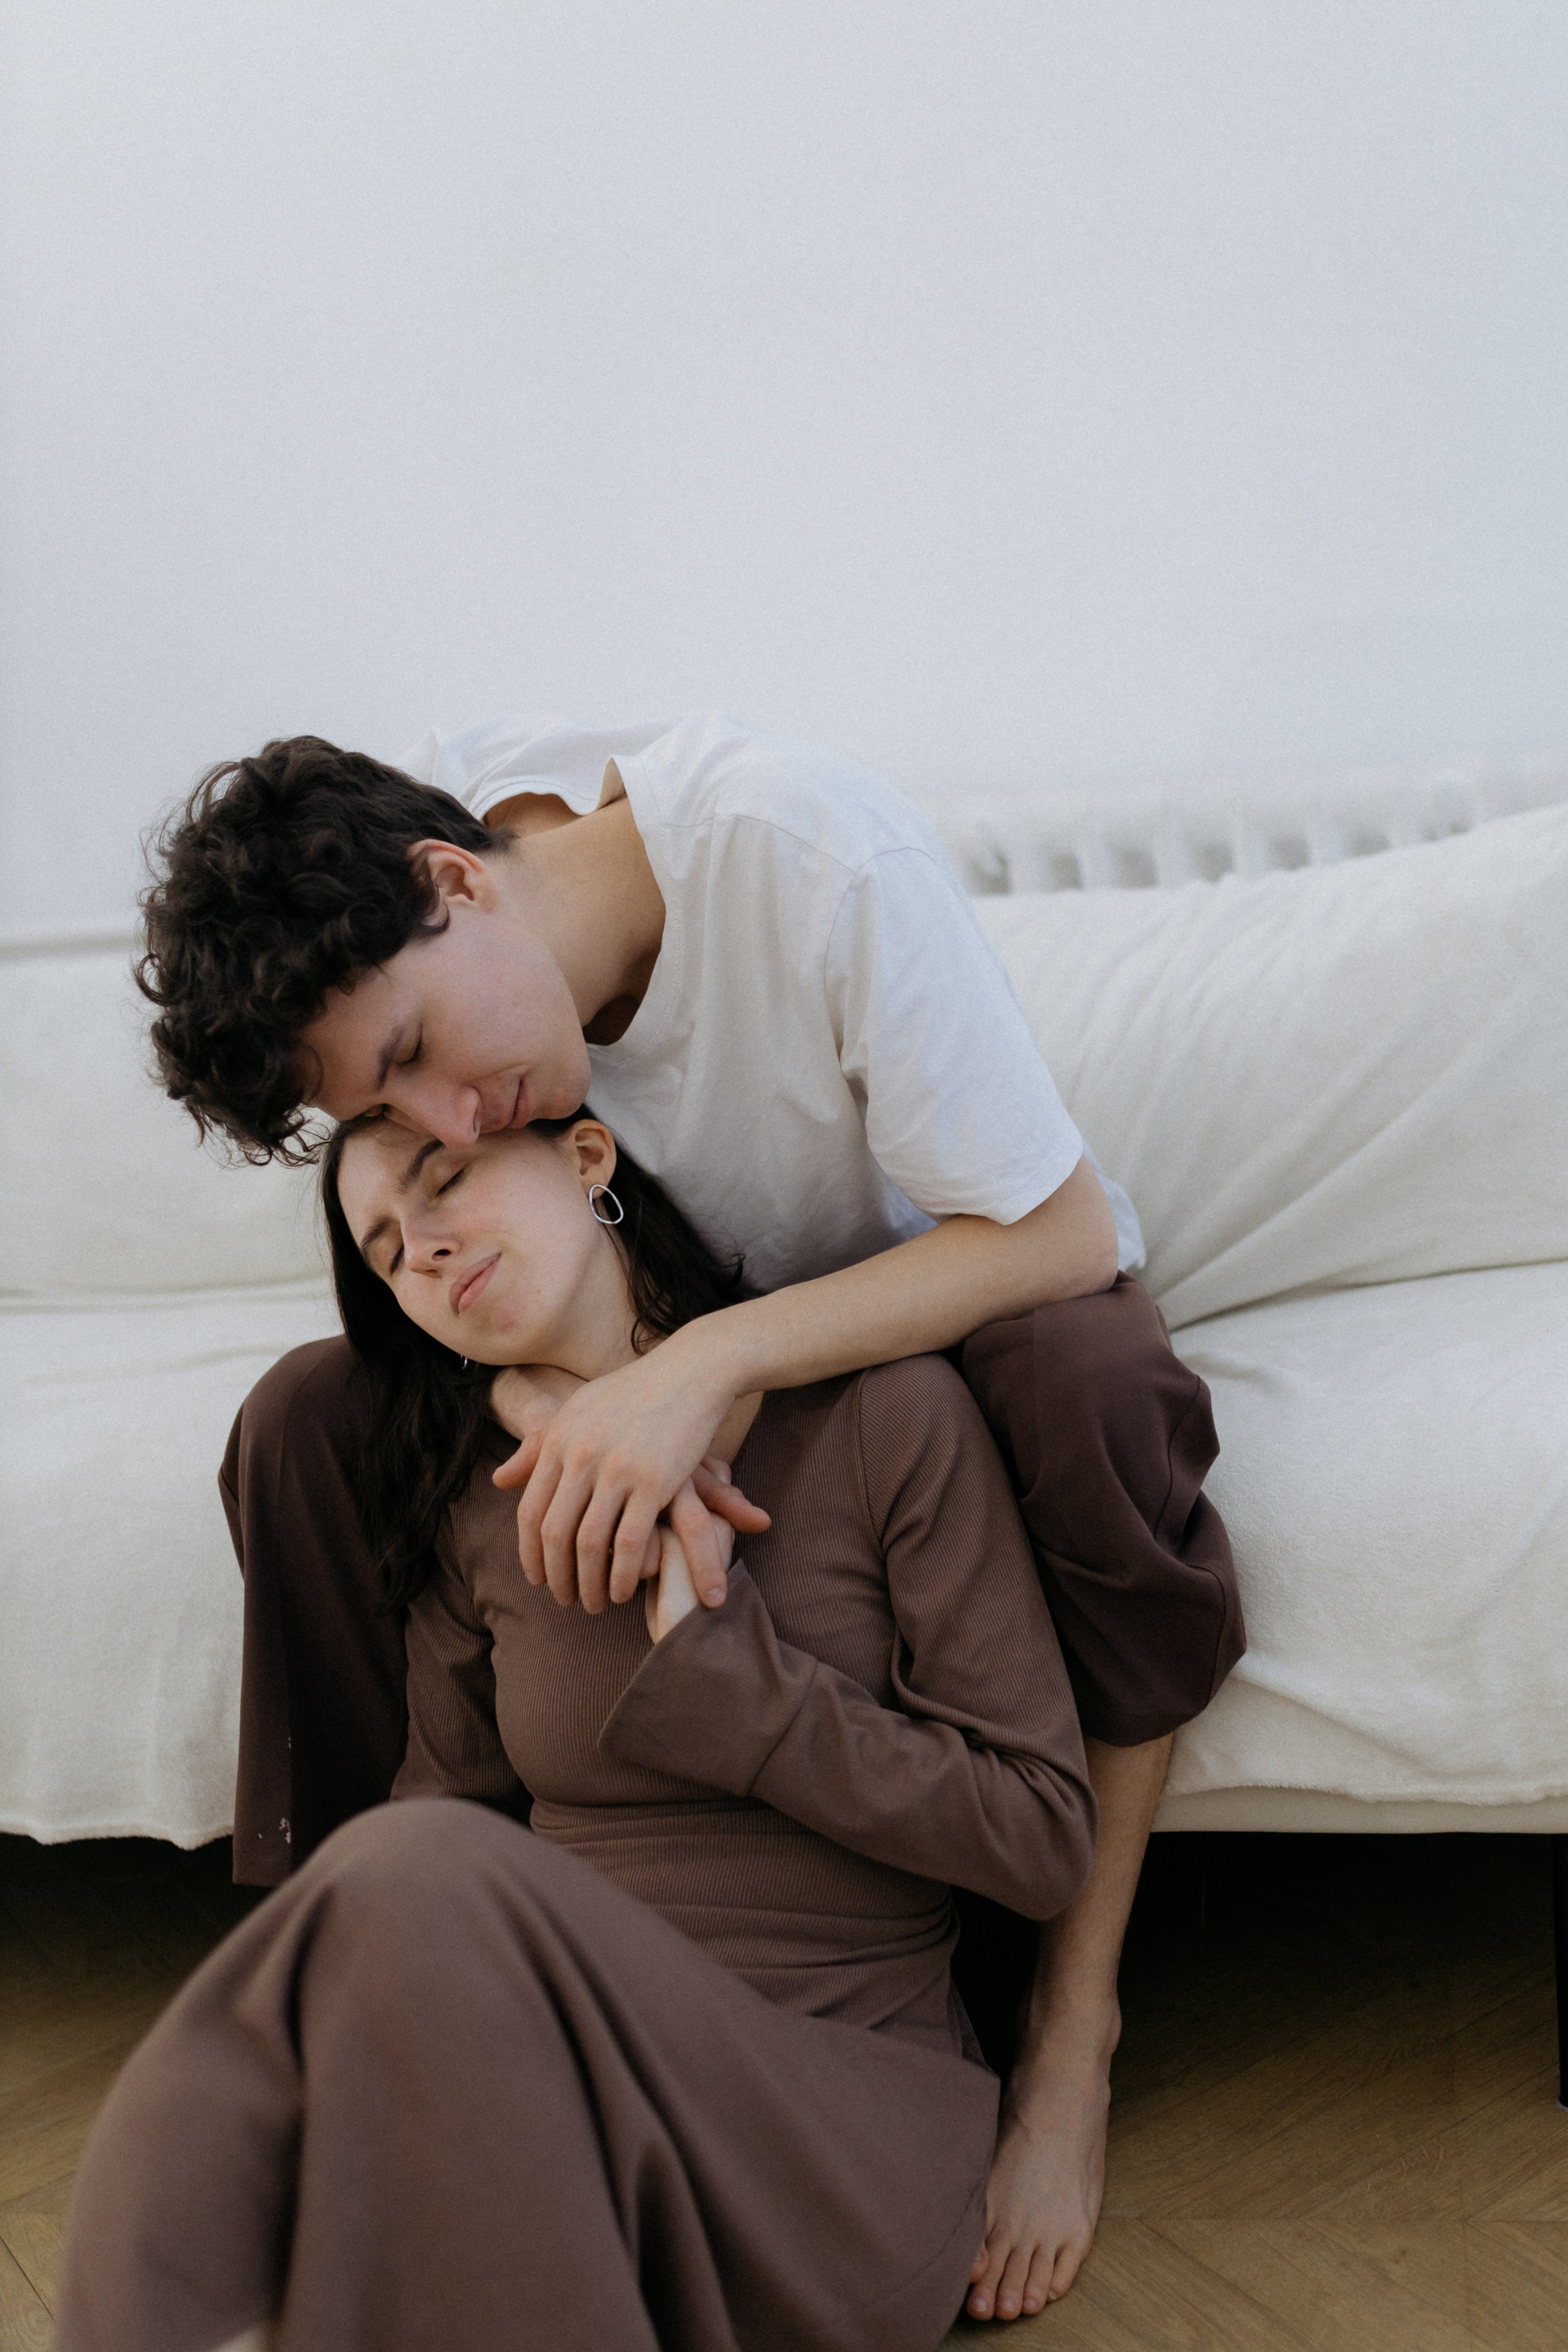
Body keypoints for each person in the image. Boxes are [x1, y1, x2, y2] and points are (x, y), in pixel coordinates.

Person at [139, 715, 1243, 2319]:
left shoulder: (797, 850)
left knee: (1090, 1383)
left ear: (459, 882)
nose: (451, 1125)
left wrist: (707, 1368)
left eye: (421, 1059)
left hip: (949, 1311)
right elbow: (485, 1265)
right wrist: (542, 1405)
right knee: (305, 1419)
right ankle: (328, 2001)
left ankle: (1071, 2035)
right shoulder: (440, 908)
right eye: (394, 1118)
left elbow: (1057, 1233)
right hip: (657, 1347)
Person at [57, 1111, 1101, 2352]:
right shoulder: (471, 1504)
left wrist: (746, 1692)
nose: (422, 1250)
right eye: (387, 1253)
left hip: (837, 2112)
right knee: (333, 2009)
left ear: (588, 1158)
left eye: (445, 1181)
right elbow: (445, 1820)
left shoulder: (886, 1416)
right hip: (573, 2098)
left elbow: (1043, 1836)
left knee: (390, 1882)